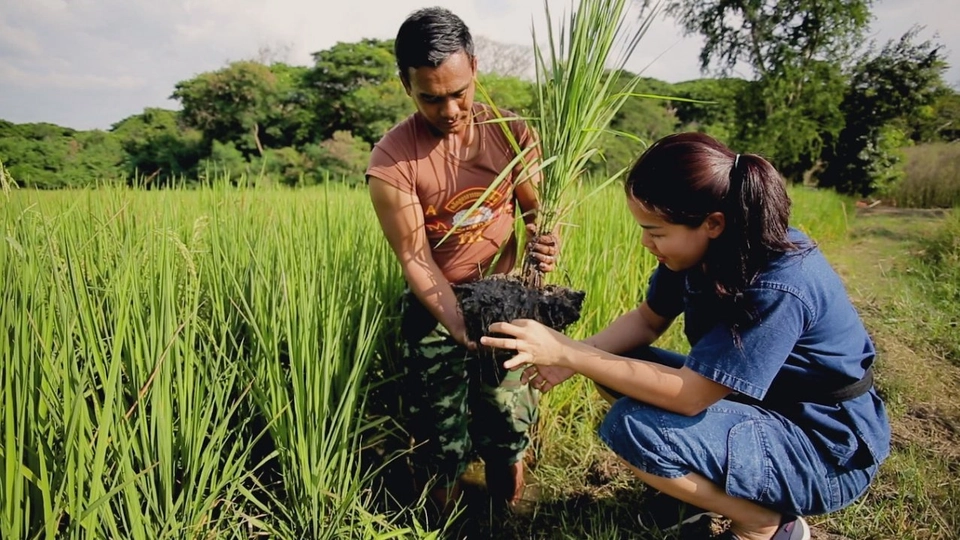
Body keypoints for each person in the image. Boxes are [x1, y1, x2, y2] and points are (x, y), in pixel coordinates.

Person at [479, 132, 891, 540]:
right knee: (614, 367)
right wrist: (569, 361)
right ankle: (697, 495)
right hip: (765, 409)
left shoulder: (777, 284)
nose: (646, 243)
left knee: (633, 427)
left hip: (825, 451)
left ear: (713, 223)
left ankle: (763, 523)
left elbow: (690, 395)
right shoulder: (705, 252)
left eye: (656, 232)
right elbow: (646, 320)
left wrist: (569, 352)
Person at [365, 6, 557, 519]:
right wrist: (460, 326)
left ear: (474, 67)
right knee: (439, 436)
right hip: (435, 307)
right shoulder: (392, 161)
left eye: (458, 93)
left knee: (508, 423)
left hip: (506, 299)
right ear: (406, 85)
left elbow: (538, 212)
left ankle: (510, 519)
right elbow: (415, 256)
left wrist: (544, 243)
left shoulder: (513, 133)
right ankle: (446, 522)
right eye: (430, 98)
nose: (449, 110)